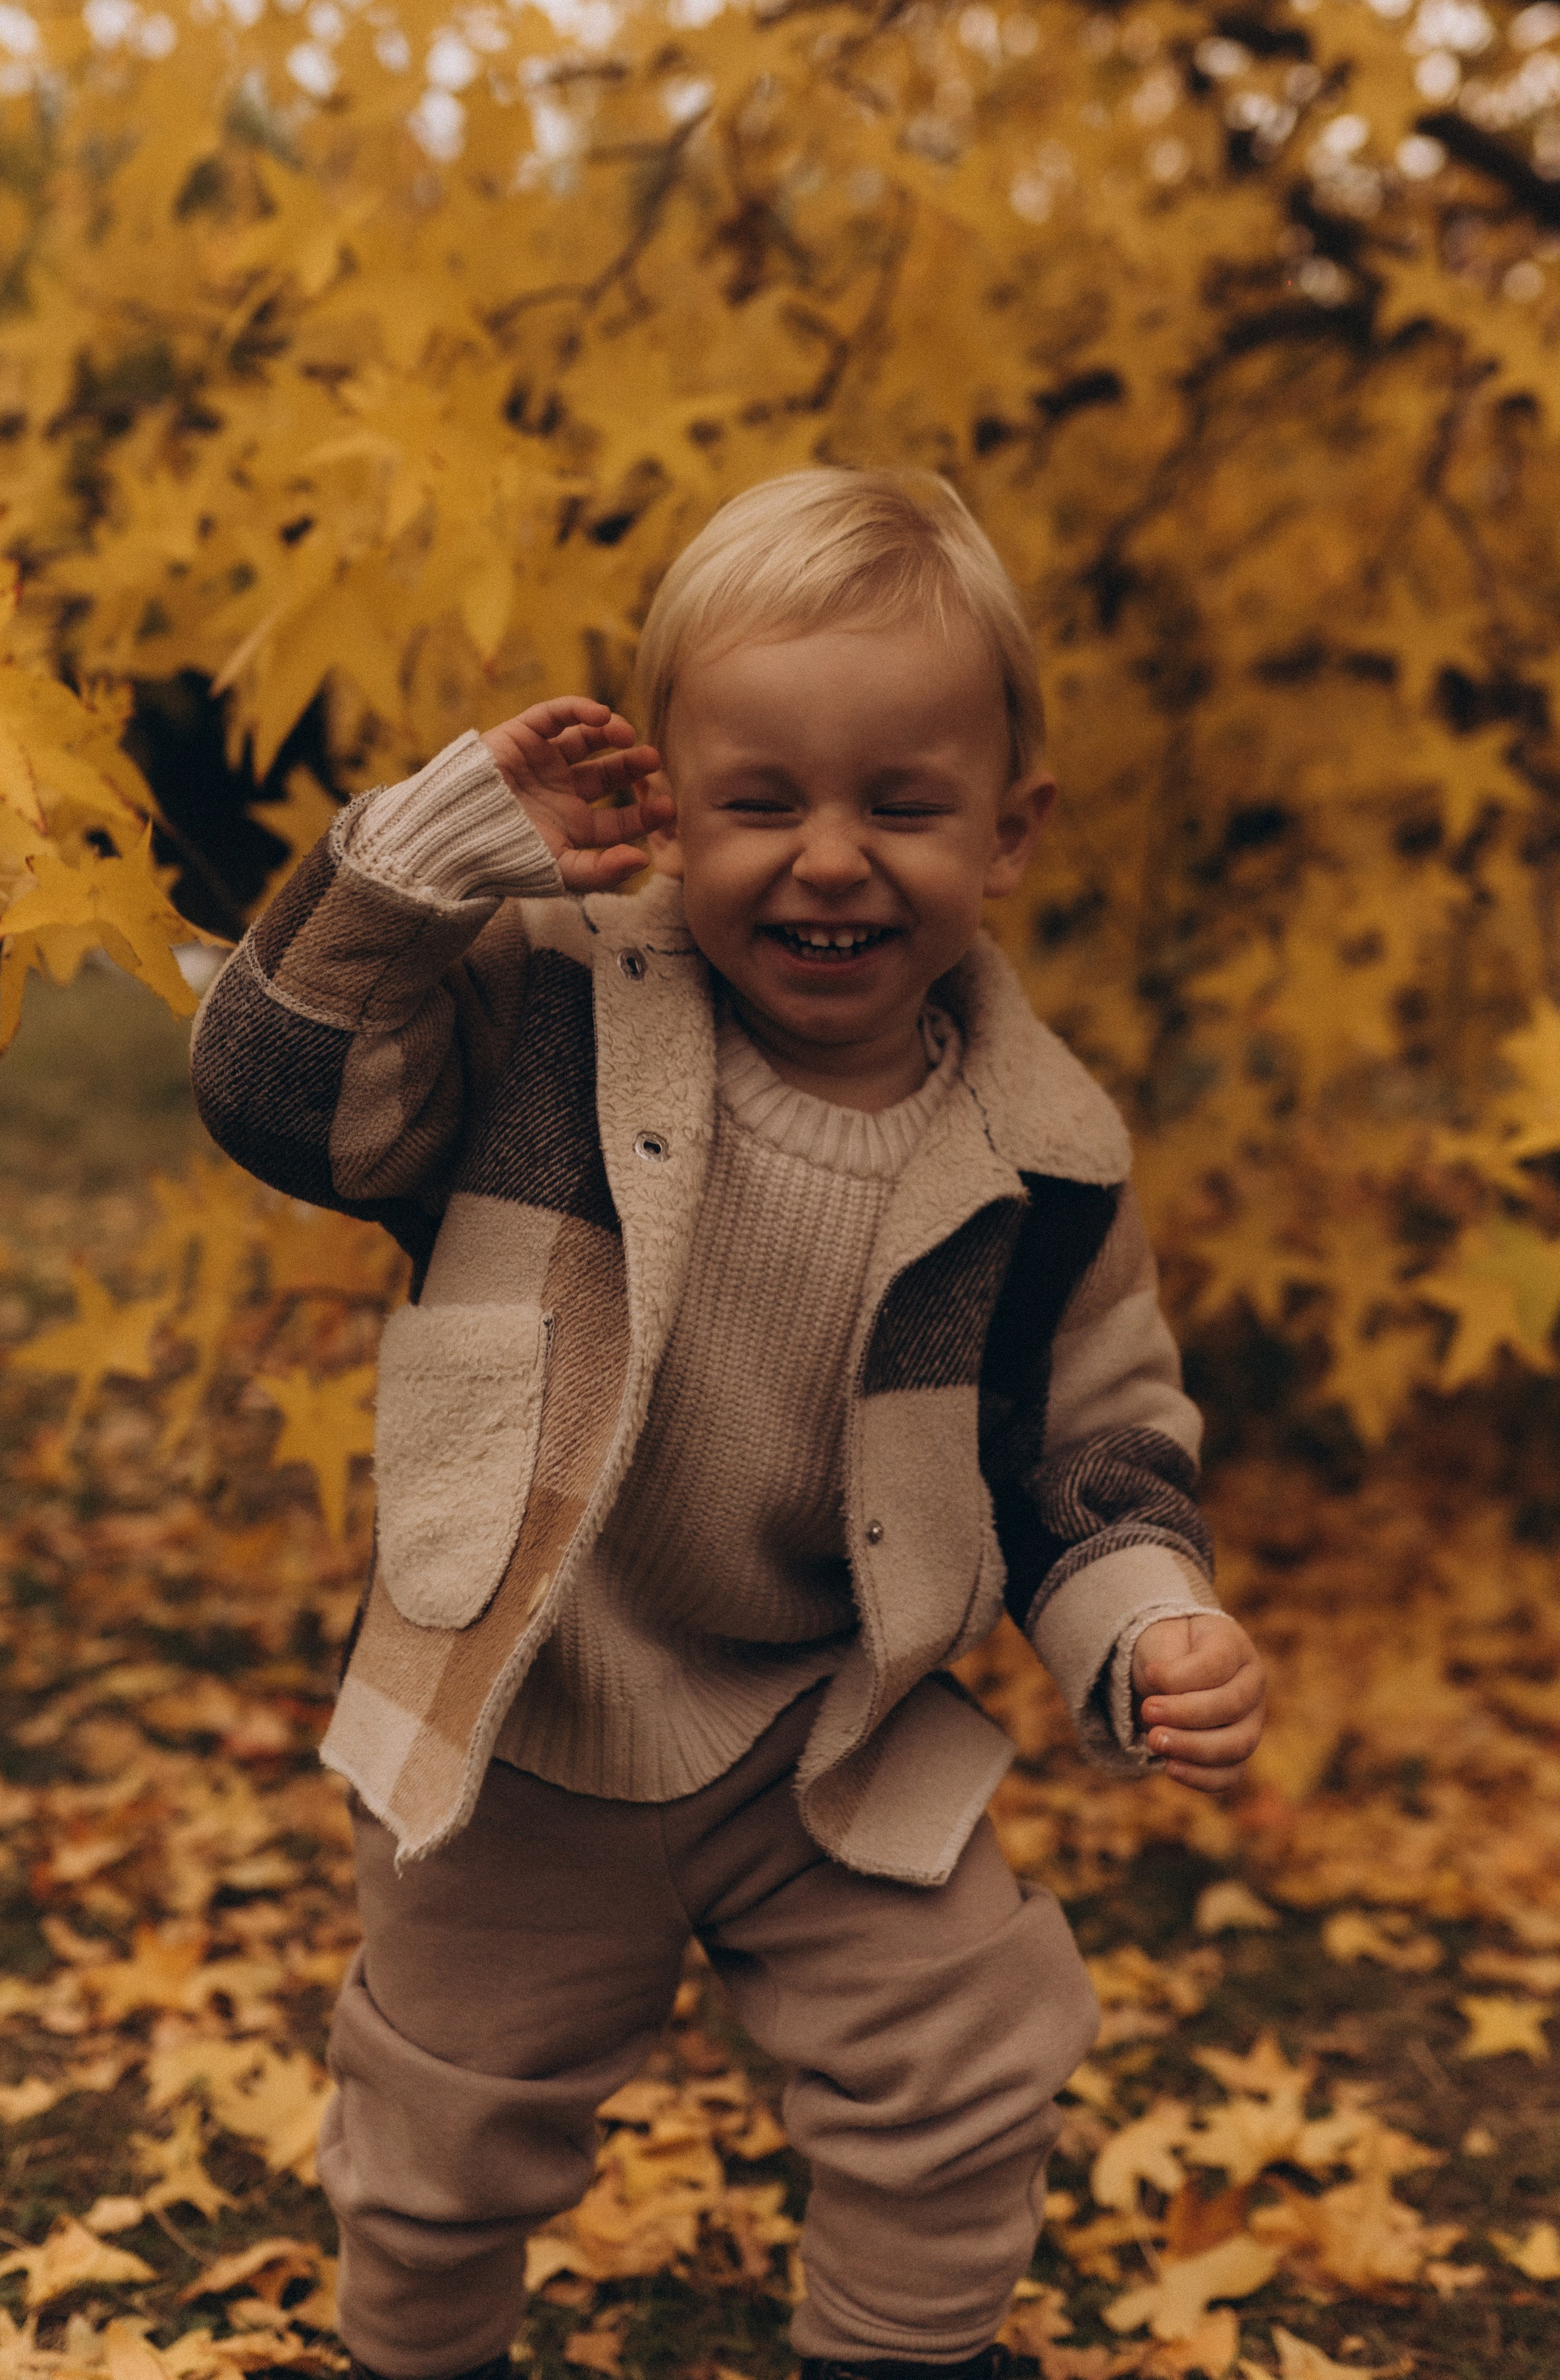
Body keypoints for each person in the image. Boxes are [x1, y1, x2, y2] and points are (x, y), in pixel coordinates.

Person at [191, 466, 1266, 2380]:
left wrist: (1149, 1618)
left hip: (825, 1726)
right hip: (528, 1709)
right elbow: (281, 1090)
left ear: (1009, 831)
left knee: (973, 2045)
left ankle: (898, 2354)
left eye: (902, 807)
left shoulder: (1047, 1158)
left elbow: (1086, 1453)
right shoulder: (547, 1015)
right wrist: (430, 858)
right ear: (669, 808)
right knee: (441, 2138)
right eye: (762, 802)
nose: (830, 860)